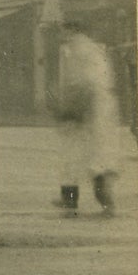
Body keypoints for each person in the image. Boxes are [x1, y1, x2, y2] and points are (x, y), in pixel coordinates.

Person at [55, 23, 124, 216]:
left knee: (80, 157)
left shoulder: (76, 49)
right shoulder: (93, 49)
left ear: (72, 31)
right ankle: (86, 202)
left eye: (63, 31)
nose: (61, 36)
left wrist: (72, 109)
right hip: (98, 108)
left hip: (89, 108)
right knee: (94, 156)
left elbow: (85, 81)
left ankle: (80, 202)